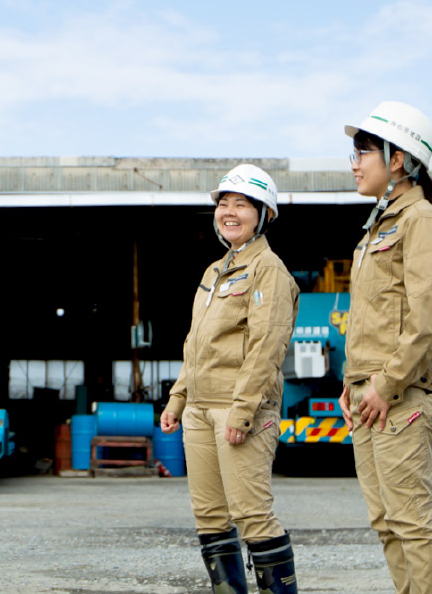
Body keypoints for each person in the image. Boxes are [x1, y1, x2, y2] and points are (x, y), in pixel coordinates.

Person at [338, 101, 432, 594]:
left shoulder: (422, 222)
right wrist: (352, 382)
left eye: (363, 153)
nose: (354, 164)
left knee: (411, 522)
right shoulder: (379, 226)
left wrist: (386, 384)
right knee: (386, 522)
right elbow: (373, 318)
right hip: (371, 393)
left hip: (402, 394)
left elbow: (430, 317)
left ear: (398, 160)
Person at [160, 164, 300, 593]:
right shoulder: (214, 272)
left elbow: (267, 346)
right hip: (200, 410)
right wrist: (178, 398)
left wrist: (242, 412)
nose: (229, 212)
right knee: (209, 516)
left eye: (241, 204)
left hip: (239, 410)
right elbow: (196, 342)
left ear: (264, 214)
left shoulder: (268, 269)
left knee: (252, 515)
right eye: (223, 204)